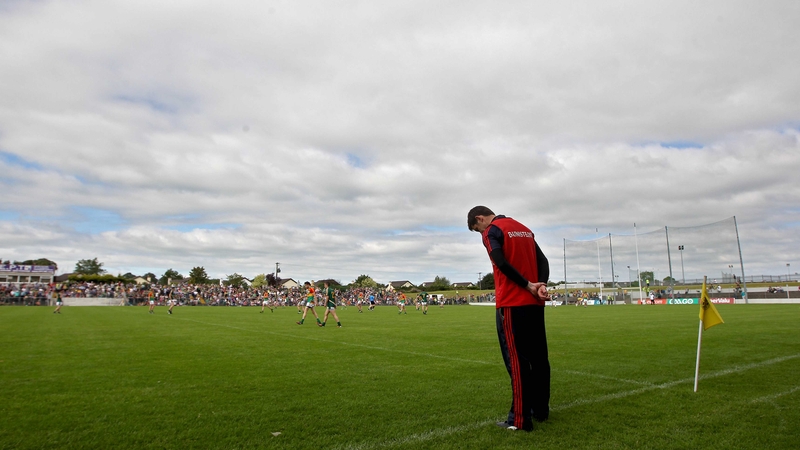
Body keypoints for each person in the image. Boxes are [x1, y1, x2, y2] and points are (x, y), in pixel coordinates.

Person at [468, 206, 550, 432]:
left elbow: (500, 262)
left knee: (517, 361)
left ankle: (520, 420)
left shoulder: (492, 231)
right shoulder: (524, 229)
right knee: (539, 359)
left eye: (477, 229)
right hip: (534, 303)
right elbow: (543, 261)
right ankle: (540, 411)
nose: (480, 233)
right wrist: (540, 284)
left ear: (480, 218)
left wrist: (527, 285)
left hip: (512, 303)